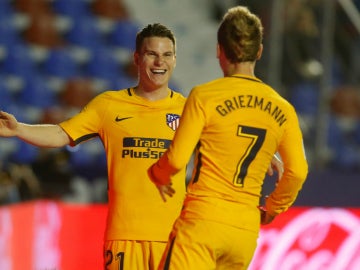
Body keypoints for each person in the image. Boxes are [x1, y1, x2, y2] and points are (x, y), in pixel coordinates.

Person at [0, 23, 282, 270]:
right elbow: (61, 133)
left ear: (174, 60)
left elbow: (231, 140)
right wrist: (19, 129)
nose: (160, 62)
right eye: (151, 54)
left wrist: (267, 152)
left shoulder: (191, 109)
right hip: (125, 238)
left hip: (177, 239)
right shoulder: (109, 105)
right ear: (137, 58)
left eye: (167, 55)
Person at [148, 6, 308, 270]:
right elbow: (298, 172)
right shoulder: (283, 108)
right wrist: (273, 207)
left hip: (203, 223)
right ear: (259, 52)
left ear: (219, 50)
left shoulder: (205, 96)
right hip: (244, 231)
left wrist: (158, 174)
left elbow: (176, 160)